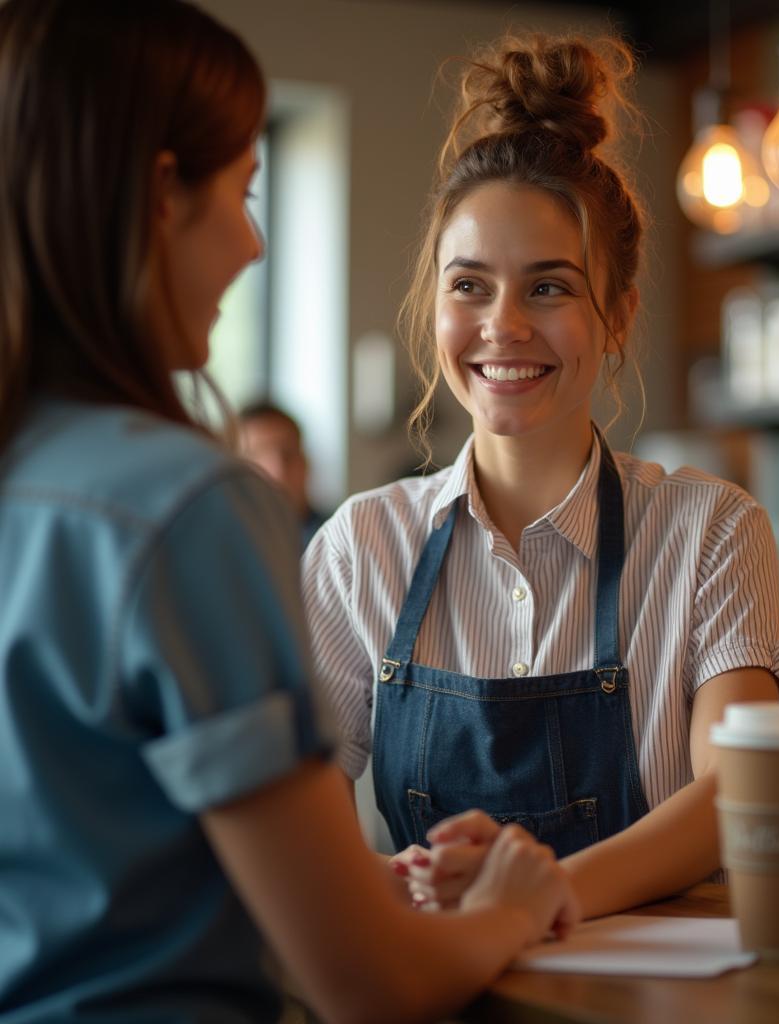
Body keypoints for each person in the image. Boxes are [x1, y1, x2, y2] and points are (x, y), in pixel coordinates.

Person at [0, 3, 579, 1022]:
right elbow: (366, 983)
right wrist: (510, 906)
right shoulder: (188, 510)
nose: (254, 243)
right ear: (158, 198)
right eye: (241, 191)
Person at [302, 32, 779, 922]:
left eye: (550, 288)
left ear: (618, 314)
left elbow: (737, 793)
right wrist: (373, 890)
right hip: (435, 991)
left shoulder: (712, 531)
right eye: (469, 286)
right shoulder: (359, 546)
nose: (503, 326)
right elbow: (300, 803)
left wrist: (538, 899)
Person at [238, 400, 328, 549]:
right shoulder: (222, 547)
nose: (278, 470)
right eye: (258, 454)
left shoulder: (340, 540)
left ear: (306, 463)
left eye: (288, 454)